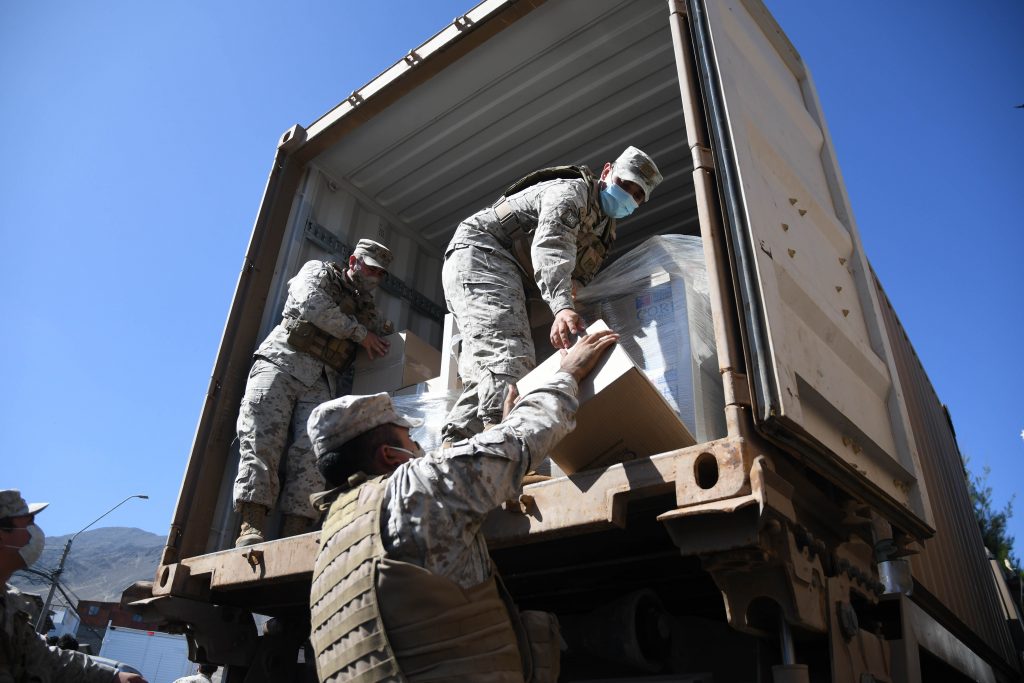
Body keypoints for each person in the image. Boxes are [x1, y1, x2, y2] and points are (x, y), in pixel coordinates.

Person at [308, 329, 620, 682]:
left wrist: (499, 428)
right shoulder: (412, 486)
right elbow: (520, 441)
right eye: (410, 440)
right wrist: (568, 374)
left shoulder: (332, 541)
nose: (419, 448)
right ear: (391, 456)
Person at [440, 146, 662, 441]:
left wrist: (573, 318)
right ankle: (499, 443)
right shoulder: (570, 193)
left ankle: (455, 446)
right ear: (607, 172)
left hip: (512, 274)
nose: (628, 197)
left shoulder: (604, 230)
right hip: (484, 252)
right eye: (624, 184)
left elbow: (578, 279)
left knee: (488, 370)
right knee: (509, 353)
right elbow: (552, 247)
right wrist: (561, 307)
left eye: (637, 196)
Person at [232, 239, 396, 547]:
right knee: (261, 439)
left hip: (321, 381)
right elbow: (312, 304)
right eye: (371, 269)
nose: (375, 278)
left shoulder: (367, 309)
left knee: (311, 456)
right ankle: (251, 523)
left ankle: (294, 533)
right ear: (353, 262)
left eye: (380, 274)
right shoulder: (318, 272)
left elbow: (389, 336)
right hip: (281, 363)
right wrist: (360, 334)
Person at [0, 489, 148, 683]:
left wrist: (113, 677)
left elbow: (44, 658)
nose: (34, 533)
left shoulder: (9, 602)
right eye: (28, 523)